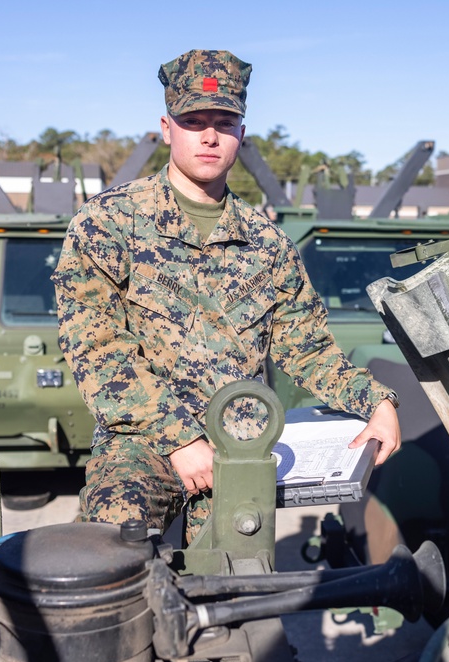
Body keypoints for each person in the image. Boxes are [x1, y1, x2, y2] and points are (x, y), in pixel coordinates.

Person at [52, 49, 400, 542]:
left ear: (242, 132)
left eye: (224, 121)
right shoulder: (109, 221)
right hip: (141, 442)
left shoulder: (267, 242)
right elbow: (97, 347)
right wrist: (179, 439)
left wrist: (377, 402)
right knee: (106, 558)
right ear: (167, 128)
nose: (210, 135)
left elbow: (307, 348)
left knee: (237, 596)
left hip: (242, 448)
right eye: (193, 121)